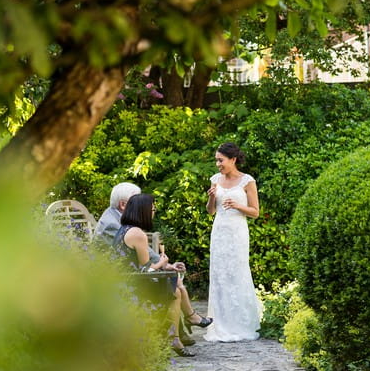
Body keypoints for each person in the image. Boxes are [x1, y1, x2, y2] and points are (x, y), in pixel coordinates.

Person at [95, 183, 212, 346]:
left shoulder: (121, 219)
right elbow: (141, 255)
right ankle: (181, 328)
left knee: (174, 283)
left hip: (130, 270)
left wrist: (165, 265)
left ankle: (181, 330)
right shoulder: (112, 223)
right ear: (124, 204)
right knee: (173, 287)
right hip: (117, 277)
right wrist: (163, 264)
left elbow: (142, 251)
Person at [204, 142, 261, 342]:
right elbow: (211, 211)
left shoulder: (247, 181)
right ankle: (219, 323)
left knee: (237, 272)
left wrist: (238, 205)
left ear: (233, 160)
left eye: (221, 160)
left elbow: (255, 212)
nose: (218, 164)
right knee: (220, 274)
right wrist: (211, 198)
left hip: (237, 233)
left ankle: (240, 322)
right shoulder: (215, 180)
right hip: (219, 231)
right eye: (216, 160)